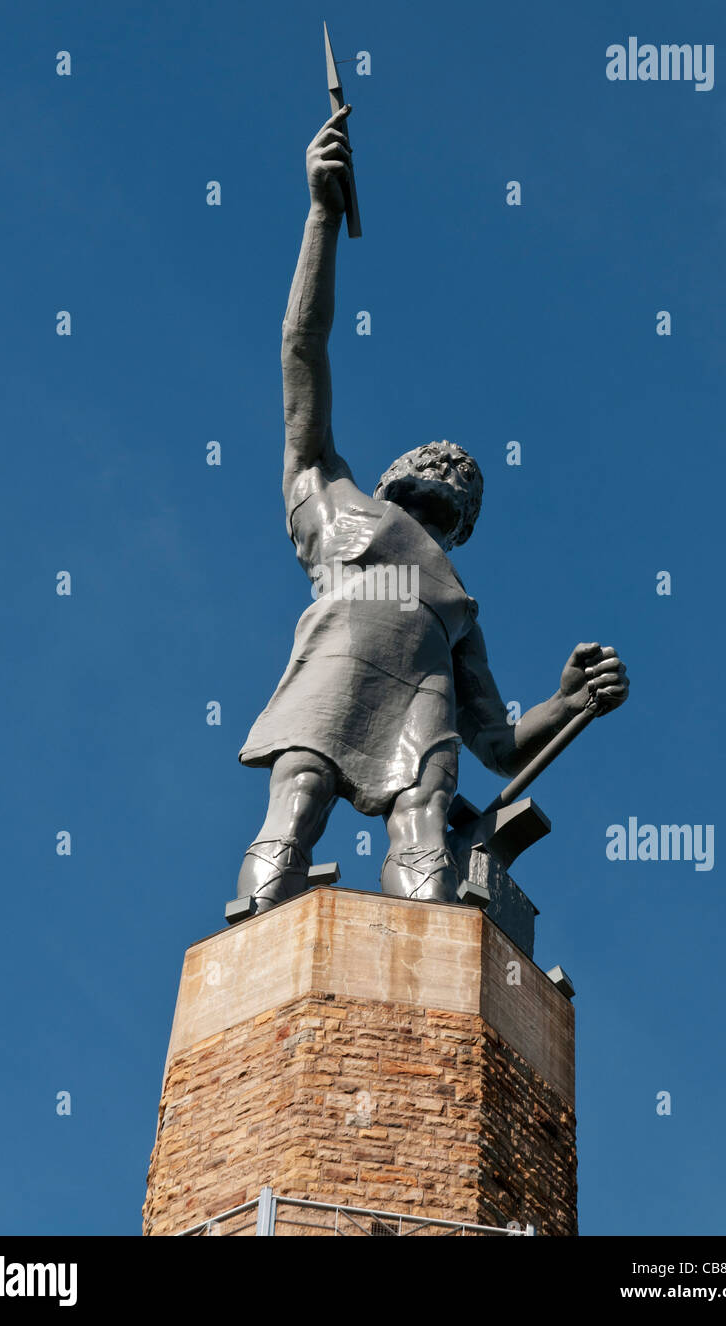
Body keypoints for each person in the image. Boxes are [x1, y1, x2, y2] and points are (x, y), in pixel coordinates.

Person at [237, 107, 629, 911]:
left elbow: (497, 744)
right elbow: (301, 348)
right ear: (389, 476)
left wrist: (567, 700)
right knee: (300, 790)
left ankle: (433, 939)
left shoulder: (457, 604)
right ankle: (260, 927)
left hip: (425, 700)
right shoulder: (327, 493)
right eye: (434, 460)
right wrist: (319, 215)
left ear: (464, 524)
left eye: (464, 478)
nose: (450, 467)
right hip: (336, 660)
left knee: (423, 822)